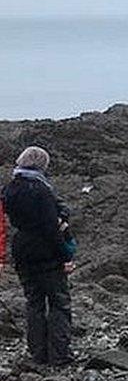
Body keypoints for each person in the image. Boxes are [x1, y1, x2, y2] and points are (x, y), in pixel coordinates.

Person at [2, 147, 76, 368]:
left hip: (22, 250)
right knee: (58, 302)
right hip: (45, 251)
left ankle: (38, 354)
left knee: (33, 302)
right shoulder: (41, 190)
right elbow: (50, 228)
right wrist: (66, 255)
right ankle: (59, 355)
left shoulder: (10, 189)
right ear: (42, 165)